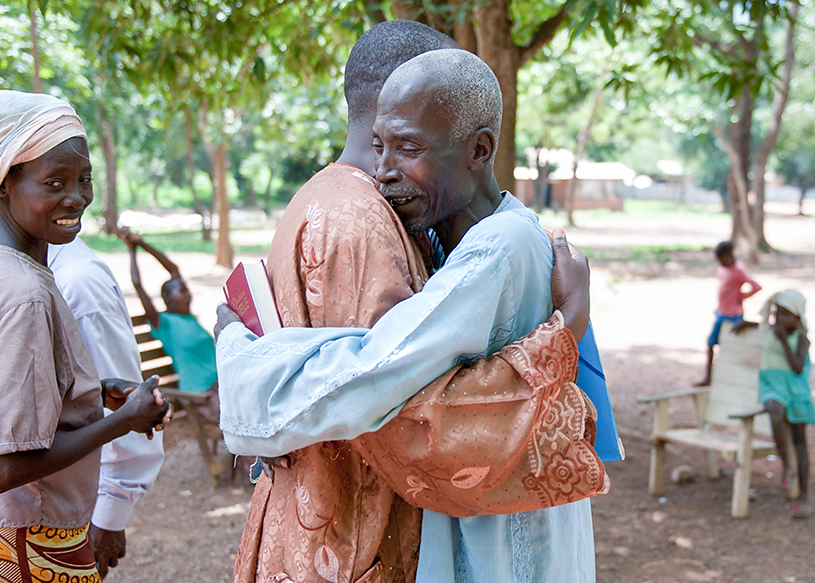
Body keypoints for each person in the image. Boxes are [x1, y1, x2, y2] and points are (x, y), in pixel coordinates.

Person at [217, 38, 604, 582]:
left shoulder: (499, 248)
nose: (383, 171)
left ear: (479, 150)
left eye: (409, 149)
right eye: (378, 146)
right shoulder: (469, 235)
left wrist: (240, 356)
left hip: (502, 533)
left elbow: (384, 372)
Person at [0, 90, 172, 582]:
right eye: (54, 182)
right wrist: (122, 420)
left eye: (84, 179)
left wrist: (89, 395)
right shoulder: (26, 294)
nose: (76, 197)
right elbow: (3, 470)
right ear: (1, 184)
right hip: (21, 546)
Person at [736, 290, 812, 518]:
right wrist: (745, 324)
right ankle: (786, 464)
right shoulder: (771, 330)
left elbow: (798, 367)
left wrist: (782, 341)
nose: (779, 319)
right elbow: (760, 326)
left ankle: (804, 497)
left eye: (785, 315)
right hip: (772, 389)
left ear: (797, 318)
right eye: (776, 313)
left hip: (795, 391)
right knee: (773, 408)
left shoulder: (799, 338)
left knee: (800, 442)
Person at [118, 229, 217, 394]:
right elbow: (137, 284)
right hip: (201, 395)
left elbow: (173, 269)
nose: (188, 294)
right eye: (182, 291)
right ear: (168, 298)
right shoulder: (162, 322)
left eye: (187, 290)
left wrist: (142, 243)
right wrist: (132, 250)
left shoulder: (188, 316)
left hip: (220, 387)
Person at [696, 240, 762, 386]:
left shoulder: (739, 270)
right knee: (711, 343)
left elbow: (756, 286)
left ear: (728, 255)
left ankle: (731, 380)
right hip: (722, 312)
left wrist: (741, 297)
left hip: (733, 315)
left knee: (731, 348)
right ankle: (709, 377)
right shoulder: (722, 267)